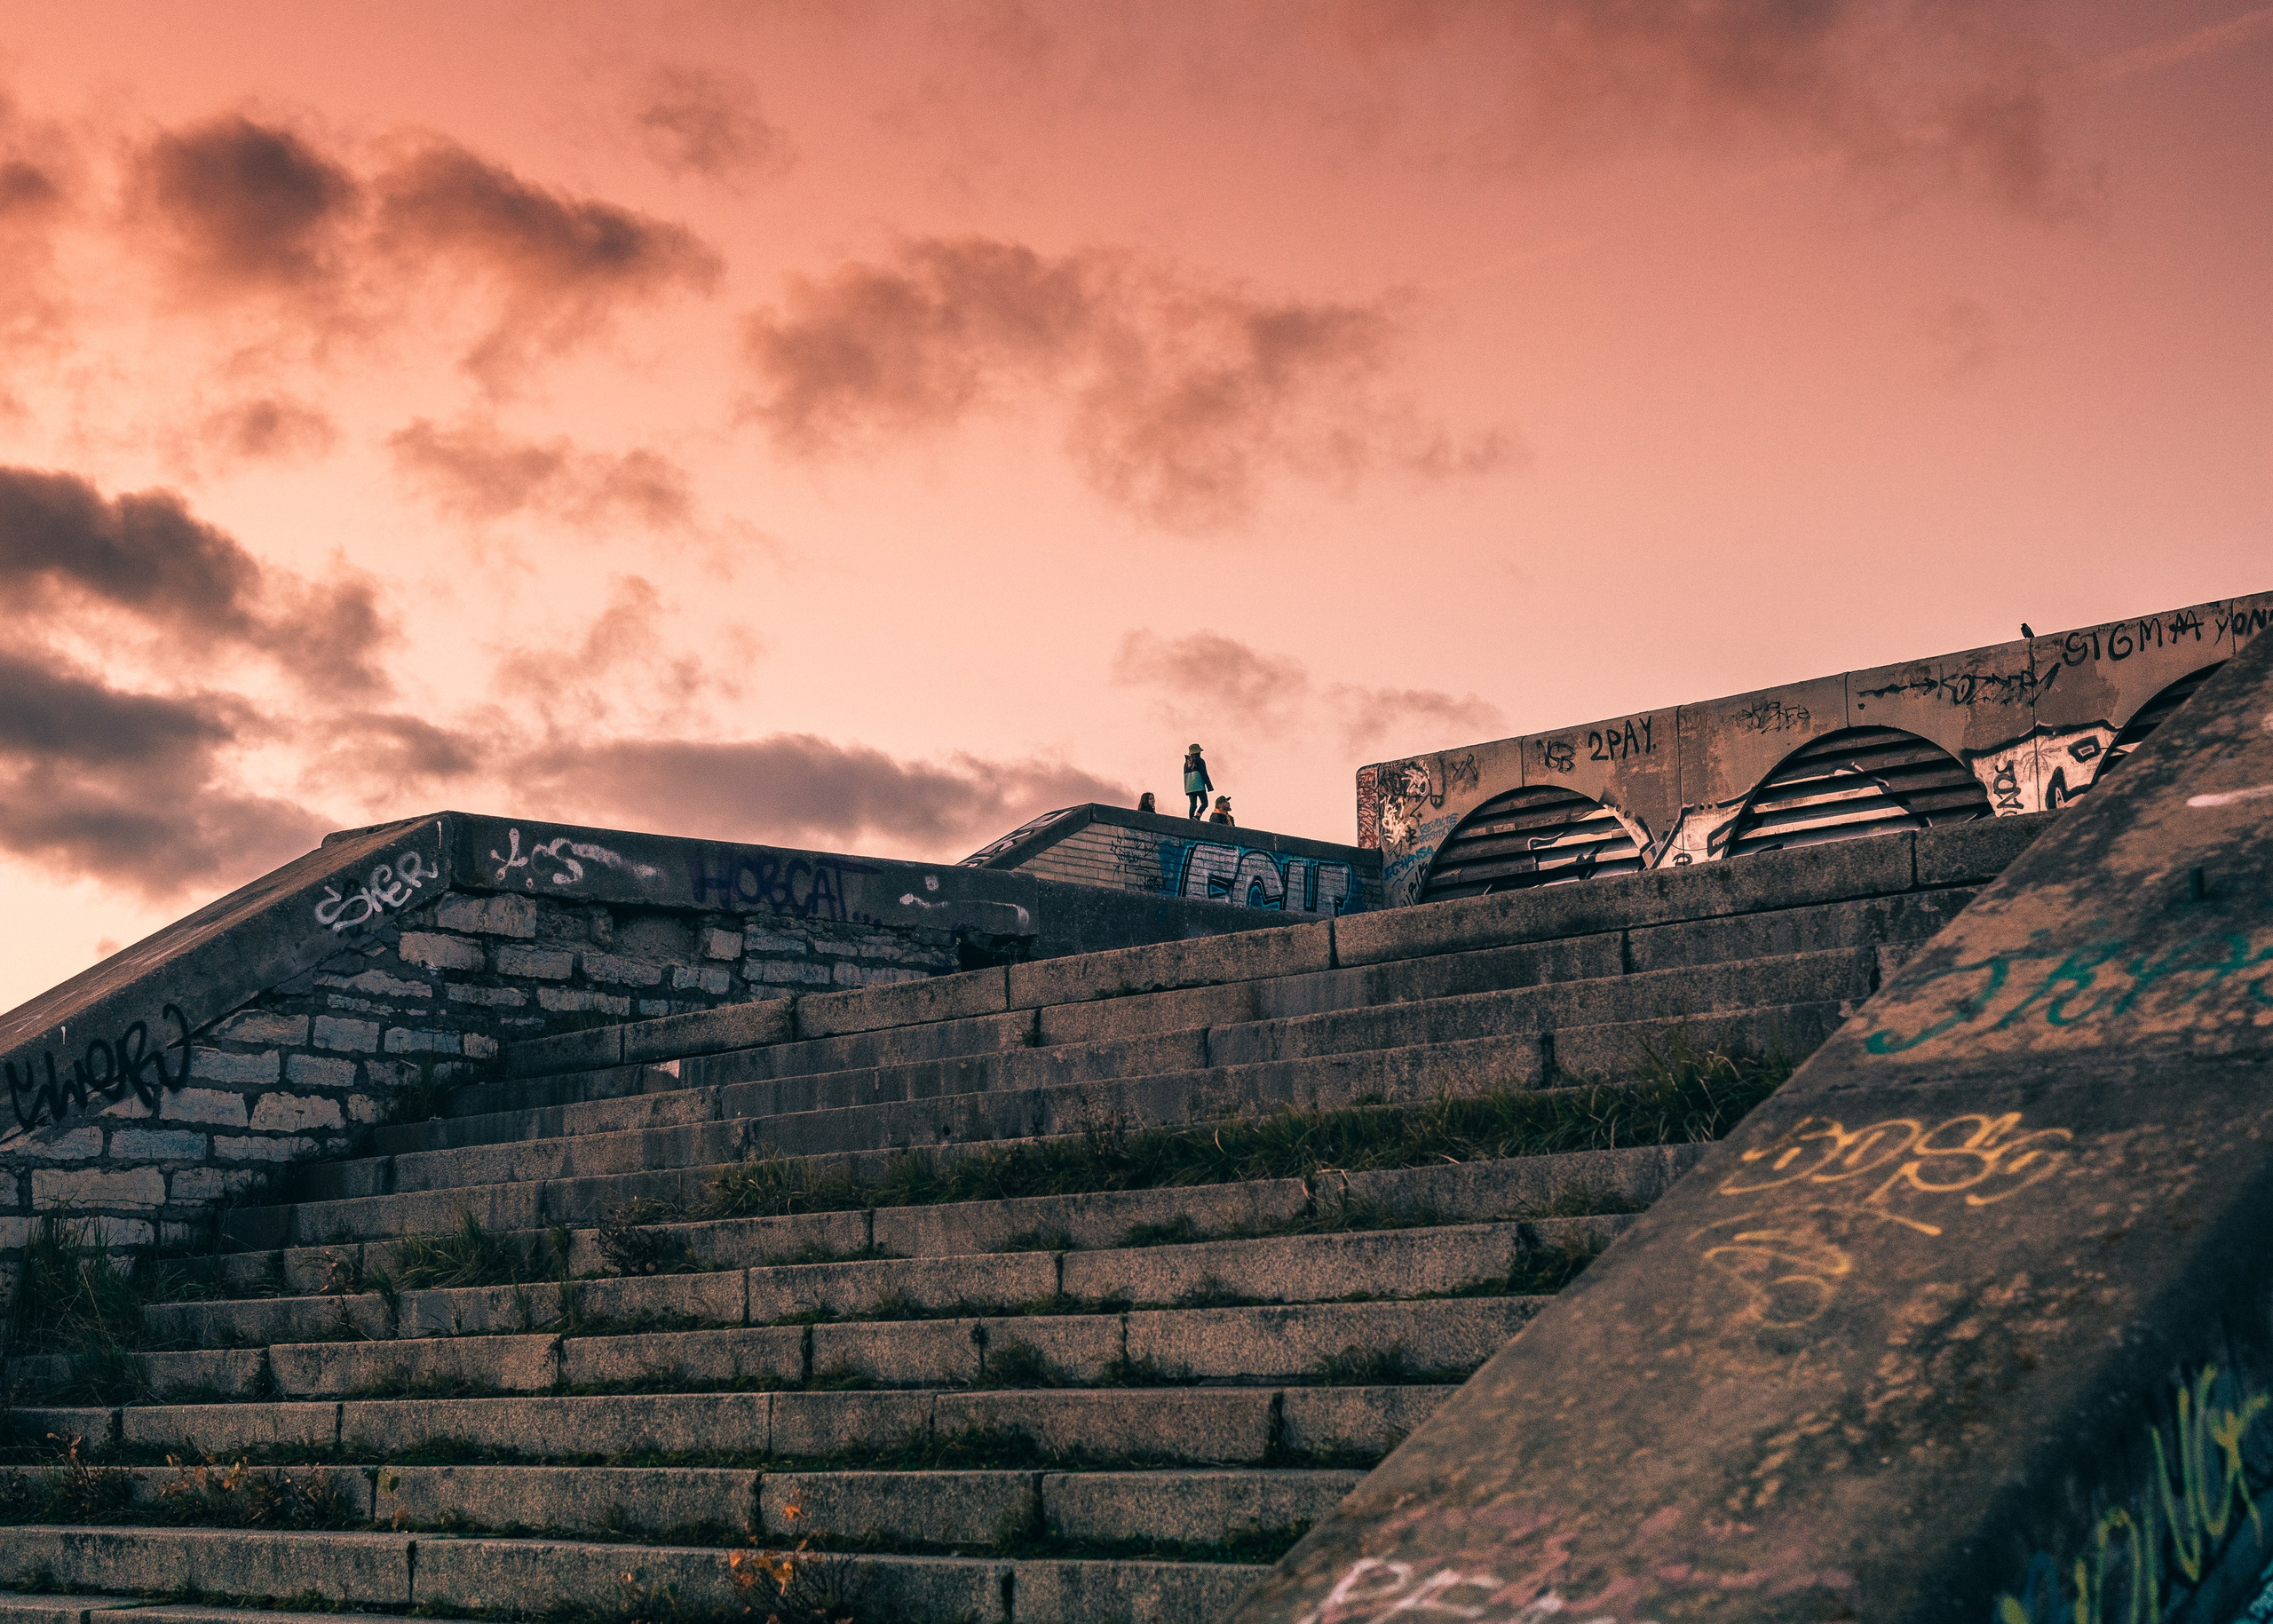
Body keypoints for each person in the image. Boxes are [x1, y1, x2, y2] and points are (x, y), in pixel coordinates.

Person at [1183, 744, 1212, 819]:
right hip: (1199, 786)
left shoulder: (1186, 763)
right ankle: (1197, 816)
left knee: (1193, 804)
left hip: (1190, 787)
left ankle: (1191, 818)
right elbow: (1204, 774)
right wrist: (1209, 786)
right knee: (1205, 803)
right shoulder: (1200, 761)